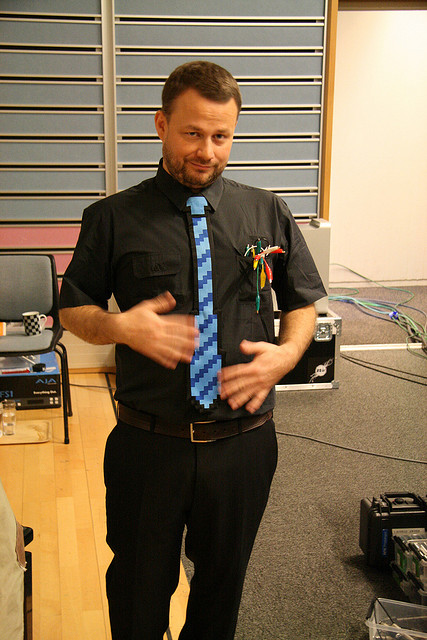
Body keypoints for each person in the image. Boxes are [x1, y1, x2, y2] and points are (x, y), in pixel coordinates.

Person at [59, 60, 326, 640]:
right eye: (193, 134)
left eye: (221, 136)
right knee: (137, 593)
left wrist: (286, 355)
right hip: (148, 445)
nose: (207, 151)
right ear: (161, 125)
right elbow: (72, 310)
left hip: (244, 444)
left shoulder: (267, 210)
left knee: (221, 592)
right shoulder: (111, 218)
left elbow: (302, 301)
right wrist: (119, 327)